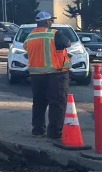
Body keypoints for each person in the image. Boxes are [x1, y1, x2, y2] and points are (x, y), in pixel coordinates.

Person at [23, 11, 72, 139]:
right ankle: (55, 132)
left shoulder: (30, 36)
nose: (52, 22)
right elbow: (68, 44)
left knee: (39, 102)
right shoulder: (55, 34)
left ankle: (38, 130)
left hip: (36, 75)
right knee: (57, 103)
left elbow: (26, 48)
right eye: (51, 20)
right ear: (46, 22)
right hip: (55, 73)